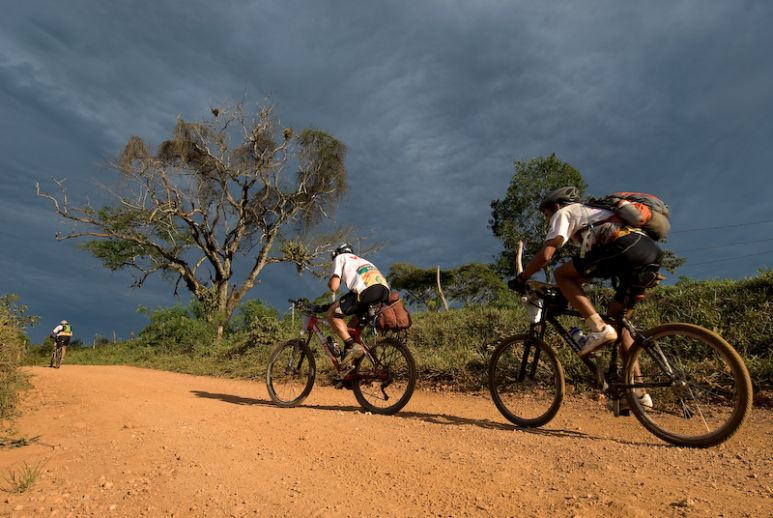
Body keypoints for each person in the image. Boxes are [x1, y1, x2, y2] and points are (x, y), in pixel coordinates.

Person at [510, 186, 663, 407]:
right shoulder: (594, 216)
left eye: (546, 215)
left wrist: (522, 278)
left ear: (555, 206)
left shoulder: (565, 212)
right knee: (619, 323)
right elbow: (586, 273)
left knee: (561, 274)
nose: (547, 220)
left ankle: (598, 329)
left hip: (623, 247)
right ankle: (639, 392)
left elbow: (546, 255)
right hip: (649, 251)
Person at [326, 243, 390, 375]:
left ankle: (352, 346)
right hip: (383, 292)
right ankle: (351, 369)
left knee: (332, 314)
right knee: (351, 330)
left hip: (367, 291)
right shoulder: (363, 261)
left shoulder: (340, 258)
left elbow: (334, 287)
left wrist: (331, 281)